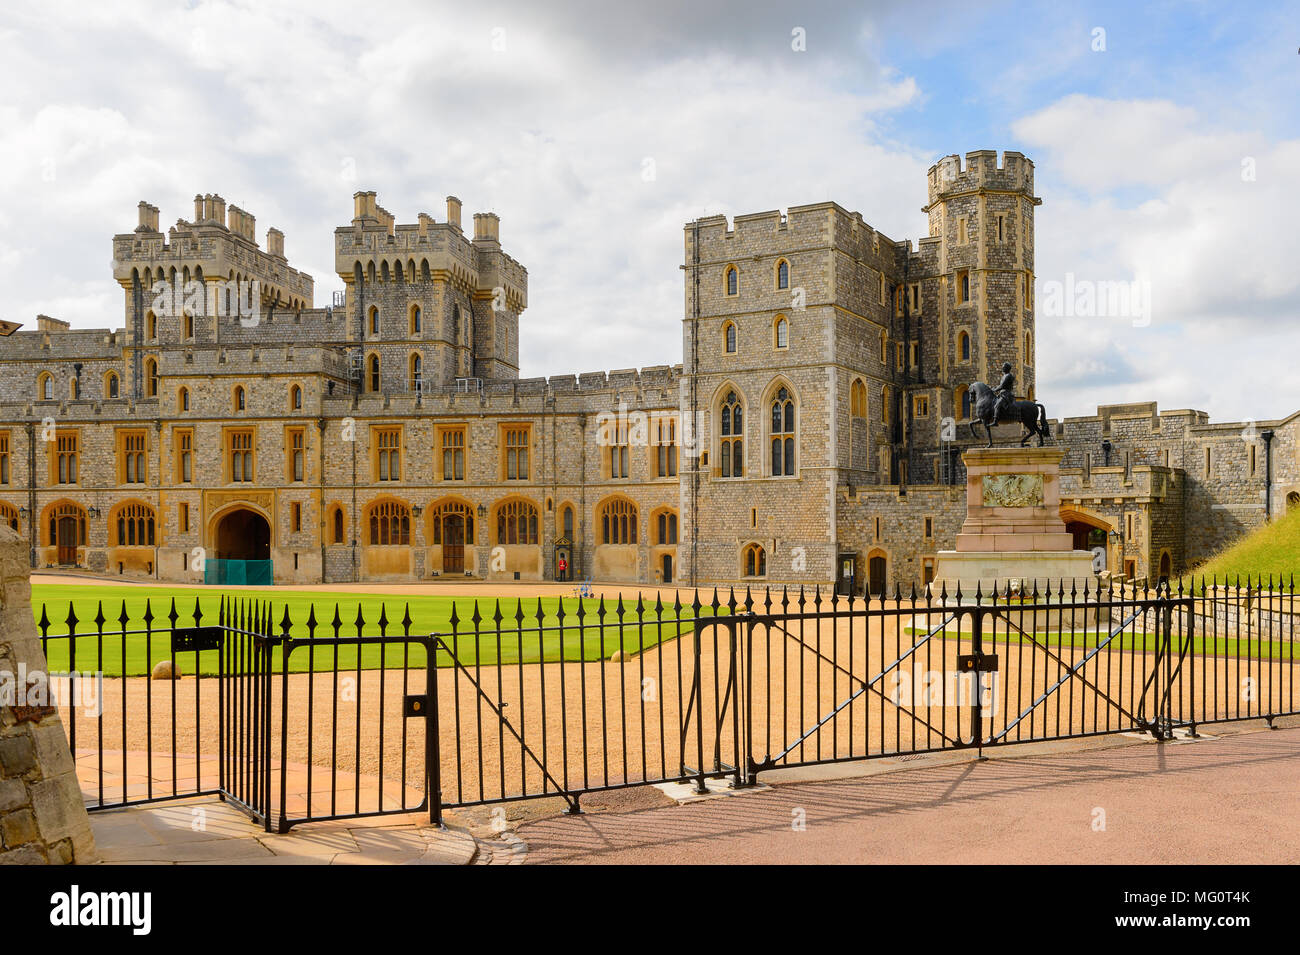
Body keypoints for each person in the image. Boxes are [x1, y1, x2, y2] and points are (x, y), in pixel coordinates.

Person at [991, 361, 1016, 426]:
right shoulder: (1005, 375)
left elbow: (1002, 386)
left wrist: (994, 390)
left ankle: (995, 421)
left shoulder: (1008, 376)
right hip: (1002, 394)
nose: (1002, 368)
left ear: (1006, 368)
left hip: (1006, 394)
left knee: (997, 406)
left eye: (1003, 367)